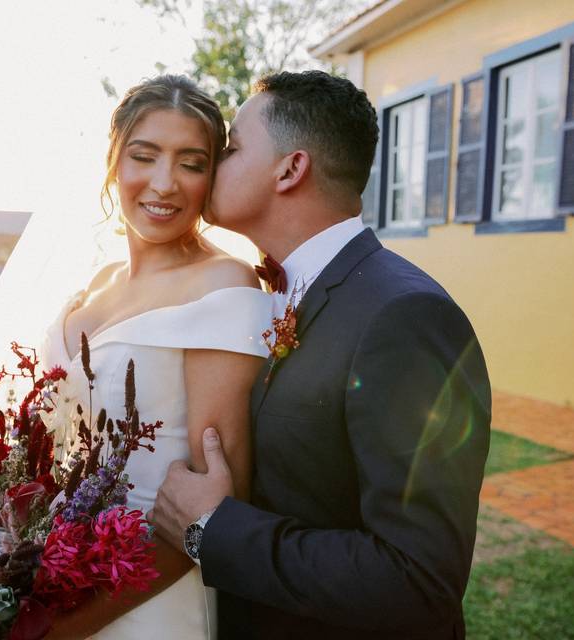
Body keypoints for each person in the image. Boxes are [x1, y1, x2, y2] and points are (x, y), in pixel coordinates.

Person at [150, 70, 492, 639]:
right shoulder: (260, 296)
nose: (213, 161)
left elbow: (419, 581)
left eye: (231, 148)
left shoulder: (405, 317)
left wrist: (212, 531)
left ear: (291, 168)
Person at [34, 75, 271, 639]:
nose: (164, 184)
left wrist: (65, 630)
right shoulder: (92, 284)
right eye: (145, 156)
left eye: (192, 163)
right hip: (47, 577)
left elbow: (218, 505)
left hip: (149, 600)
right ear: (114, 161)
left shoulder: (224, 284)